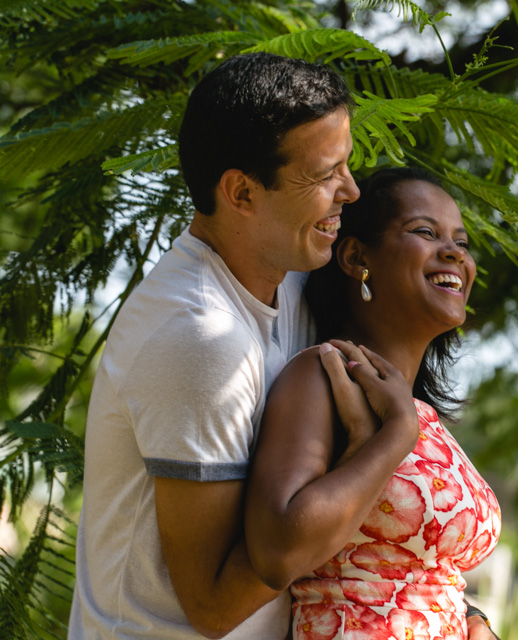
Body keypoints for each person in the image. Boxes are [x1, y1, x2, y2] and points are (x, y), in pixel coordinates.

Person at [69, 52, 364, 639]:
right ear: (242, 193)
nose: (350, 191)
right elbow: (211, 607)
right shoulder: (200, 336)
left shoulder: (294, 282)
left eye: (347, 165)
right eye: (324, 174)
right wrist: (381, 449)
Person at [244, 167, 502, 640]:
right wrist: (395, 435)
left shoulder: (420, 411)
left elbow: (428, 572)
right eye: (425, 232)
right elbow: (276, 552)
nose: (454, 253)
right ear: (356, 256)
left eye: (461, 243)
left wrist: (475, 620)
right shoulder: (325, 377)